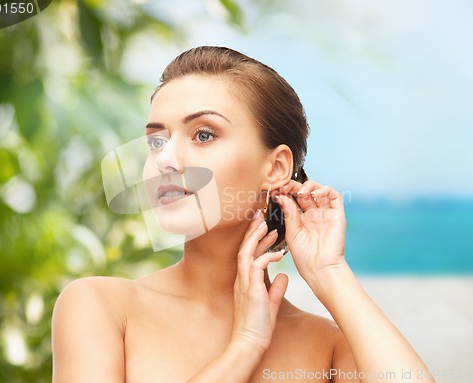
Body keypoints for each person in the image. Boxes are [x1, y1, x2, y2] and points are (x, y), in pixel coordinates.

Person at [52, 46, 435, 382]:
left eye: (203, 135)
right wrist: (244, 347)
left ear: (276, 168)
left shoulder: (328, 347)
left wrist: (330, 273)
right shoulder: (100, 307)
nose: (164, 160)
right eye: (156, 140)